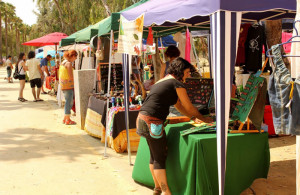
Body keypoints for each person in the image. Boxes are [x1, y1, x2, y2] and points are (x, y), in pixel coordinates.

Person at [136, 57, 212, 195]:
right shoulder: (177, 83)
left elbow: (179, 106)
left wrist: (194, 117)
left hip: (142, 119)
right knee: (159, 158)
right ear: (180, 70)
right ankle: (166, 192)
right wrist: (203, 119)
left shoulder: (164, 81)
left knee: (154, 156)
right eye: (187, 72)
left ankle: (158, 187)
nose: (188, 76)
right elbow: (188, 106)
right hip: (153, 122)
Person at [59, 50, 77, 125]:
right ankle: (68, 119)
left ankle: (65, 118)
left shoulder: (63, 62)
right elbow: (71, 76)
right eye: (75, 57)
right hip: (68, 86)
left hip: (63, 85)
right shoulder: (68, 64)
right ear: (73, 56)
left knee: (68, 102)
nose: (75, 59)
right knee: (69, 102)